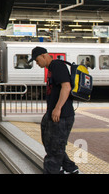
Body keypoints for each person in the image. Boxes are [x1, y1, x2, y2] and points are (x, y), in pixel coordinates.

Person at [29, 46, 79, 174]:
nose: (37, 63)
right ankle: (70, 168)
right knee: (50, 143)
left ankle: (52, 171)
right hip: (52, 114)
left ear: (44, 56)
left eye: (37, 60)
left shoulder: (57, 66)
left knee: (55, 148)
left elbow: (66, 87)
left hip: (62, 115)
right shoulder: (51, 68)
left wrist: (57, 108)